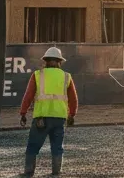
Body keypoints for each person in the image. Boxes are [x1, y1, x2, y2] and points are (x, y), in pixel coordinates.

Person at [19, 46, 79, 177]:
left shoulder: (37, 75)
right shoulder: (66, 77)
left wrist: (23, 113)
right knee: (57, 147)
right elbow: (73, 99)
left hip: (42, 118)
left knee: (33, 146)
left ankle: (28, 172)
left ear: (45, 61)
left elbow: (28, 96)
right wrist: (72, 114)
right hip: (59, 118)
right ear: (60, 62)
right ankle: (56, 172)